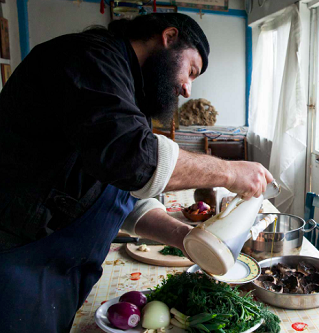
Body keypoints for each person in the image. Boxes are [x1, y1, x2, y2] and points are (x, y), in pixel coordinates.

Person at [0, 13, 273, 332]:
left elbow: (120, 197)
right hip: (20, 258)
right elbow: (135, 161)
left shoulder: (125, 92)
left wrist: (185, 237)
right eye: (191, 71)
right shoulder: (90, 59)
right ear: (169, 37)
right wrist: (230, 172)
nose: (186, 89)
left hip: (56, 265)